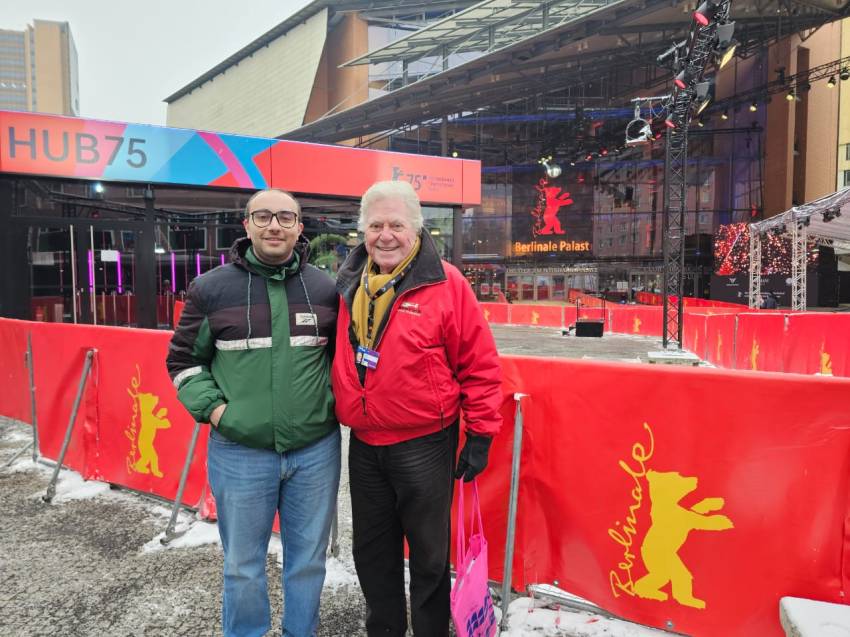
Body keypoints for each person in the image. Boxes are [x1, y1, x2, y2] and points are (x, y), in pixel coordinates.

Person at [331, 180, 503, 636]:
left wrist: (481, 433)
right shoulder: (349, 281)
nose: (385, 235)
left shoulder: (446, 283)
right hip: (365, 441)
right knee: (372, 552)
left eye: (396, 225)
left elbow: (480, 362)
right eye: (375, 226)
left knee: (428, 554)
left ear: (417, 228)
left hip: (424, 442)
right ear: (362, 230)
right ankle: (384, 629)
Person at [166, 189, 340, 637]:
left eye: (285, 217)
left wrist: (331, 405)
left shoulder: (325, 289)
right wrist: (218, 412)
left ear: (300, 227)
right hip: (239, 451)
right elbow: (183, 362)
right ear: (246, 225)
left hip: (315, 451)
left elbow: (340, 361)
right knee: (242, 565)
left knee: (309, 561)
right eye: (263, 216)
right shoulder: (211, 289)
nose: (274, 225)